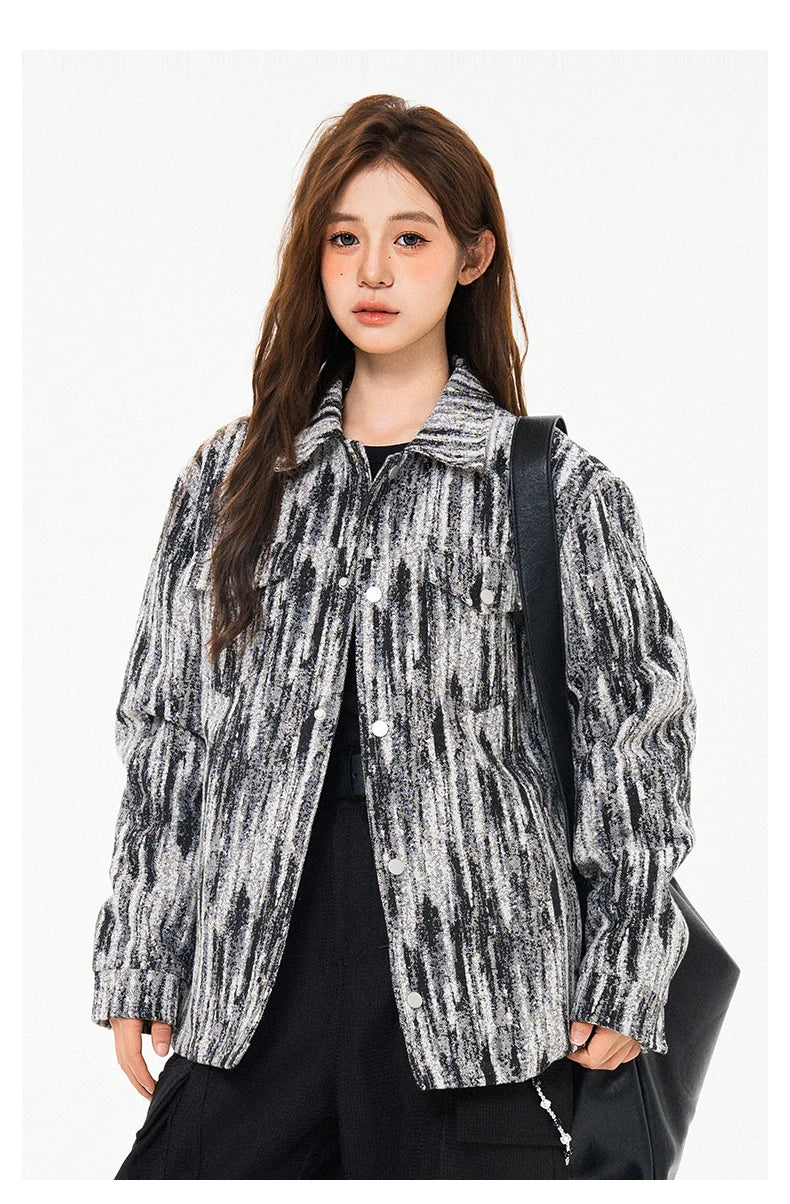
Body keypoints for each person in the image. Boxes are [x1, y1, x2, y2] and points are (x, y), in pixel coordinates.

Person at [91, 93, 697, 1180]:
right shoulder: (232, 479)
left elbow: (636, 740)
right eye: (344, 239)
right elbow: (168, 729)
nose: (372, 271)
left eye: (409, 238)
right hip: (249, 987)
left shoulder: (556, 489)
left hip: (477, 1003)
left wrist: (627, 961)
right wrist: (143, 948)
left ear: (472, 256)